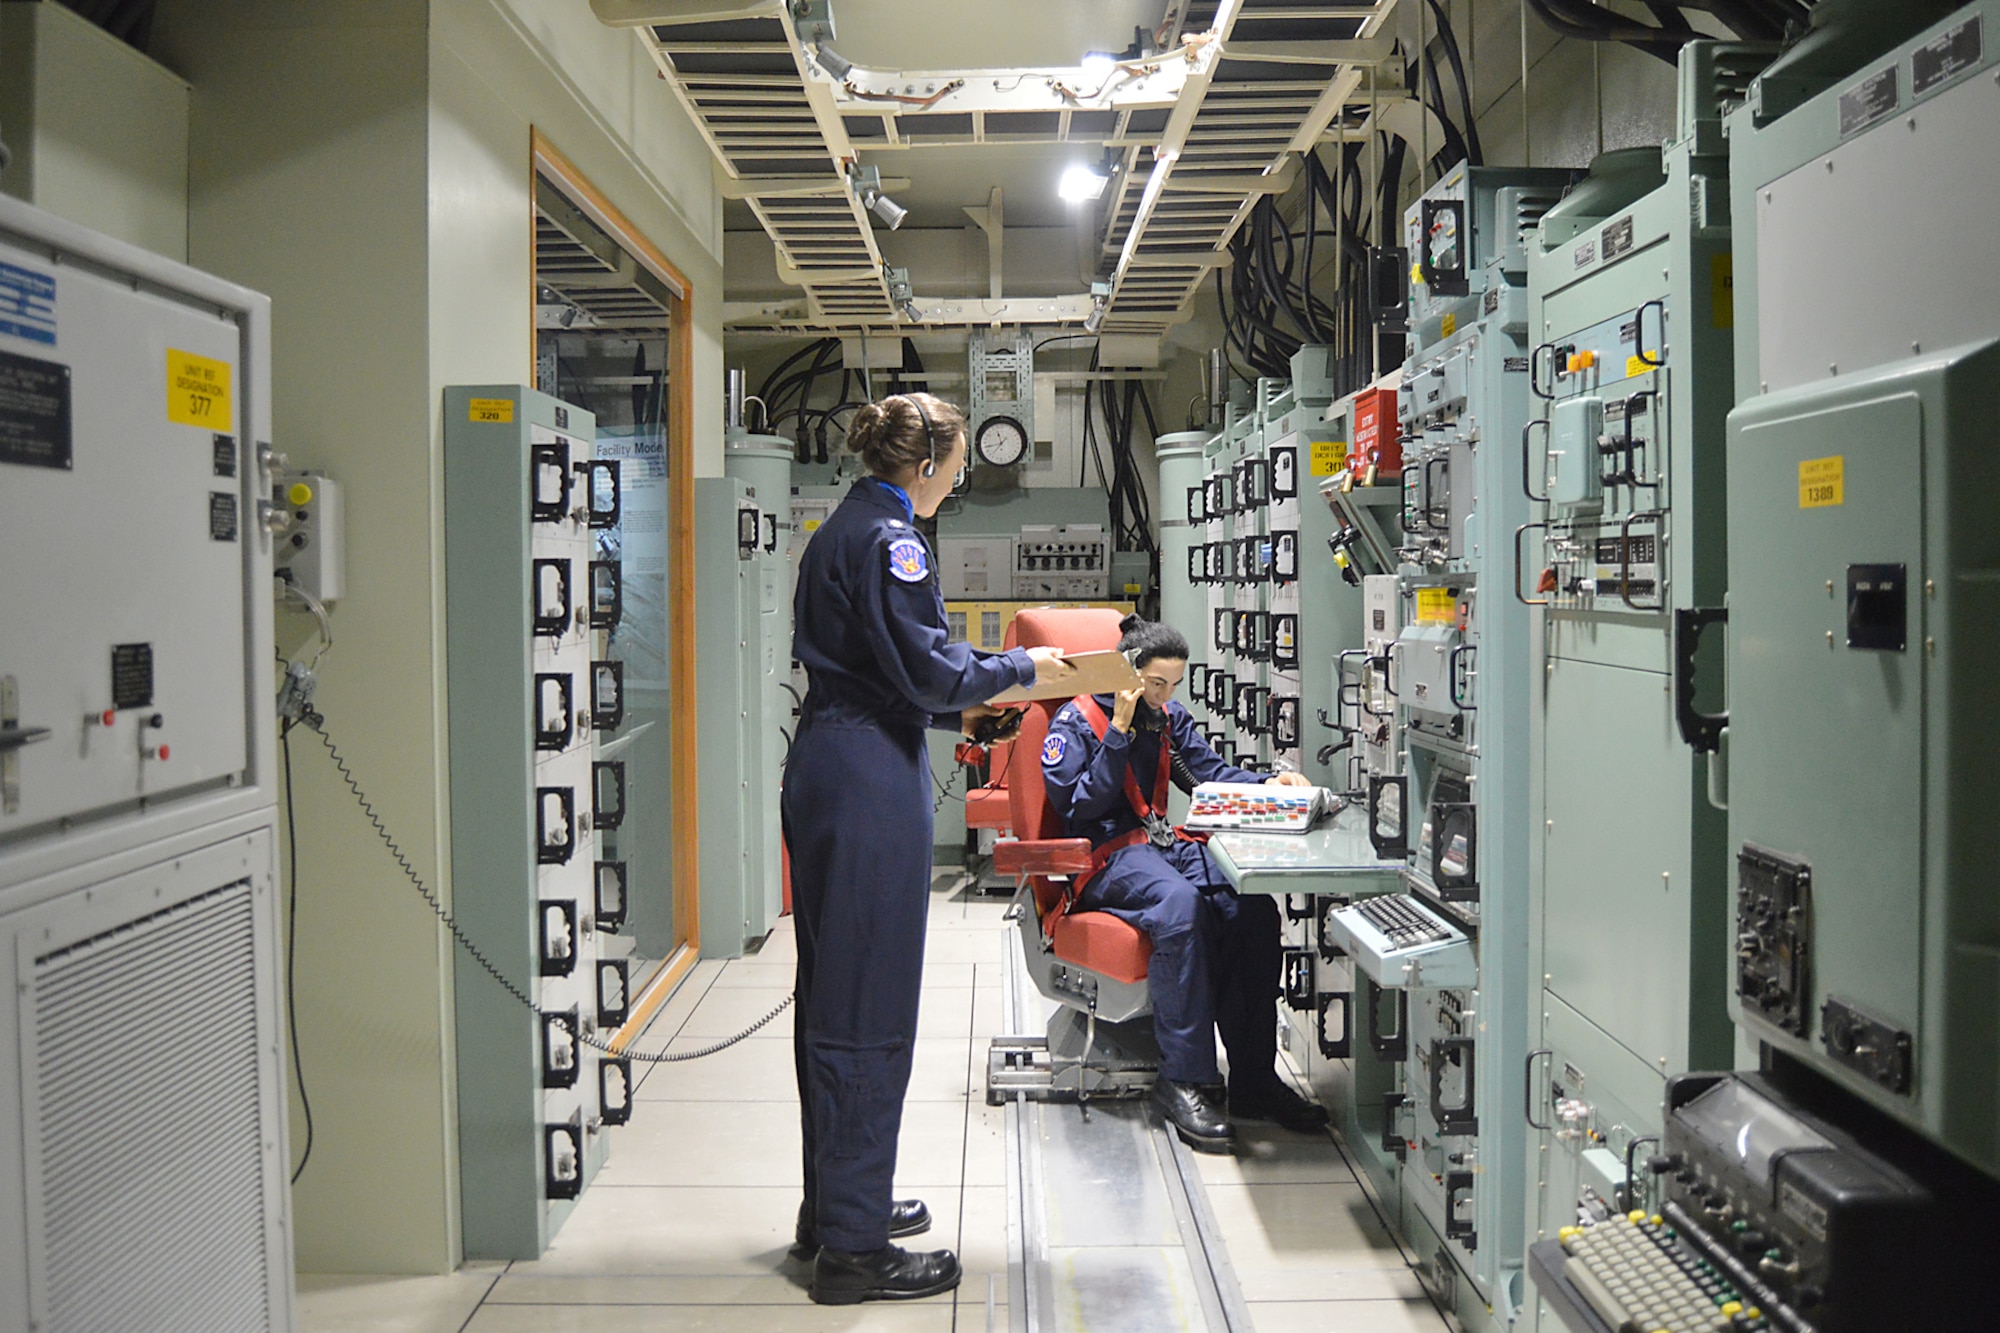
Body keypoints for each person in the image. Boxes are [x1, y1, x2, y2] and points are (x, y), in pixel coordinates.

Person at [784, 391, 1075, 1304]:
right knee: (866, 1005)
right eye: (956, 465)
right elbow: (929, 668)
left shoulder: (841, 527)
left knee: (830, 993)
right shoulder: (895, 540)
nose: (960, 479)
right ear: (927, 465)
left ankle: (834, 1206)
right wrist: (1026, 672)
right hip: (870, 767)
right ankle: (856, 1251)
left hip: (832, 758)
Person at [1040, 614, 1330, 1152]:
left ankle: (1254, 1080)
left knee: (1252, 909)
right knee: (1180, 907)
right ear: (1127, 675)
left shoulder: (1167, 718)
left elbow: (1209, 773)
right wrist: (1121, 732)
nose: (1165, 695)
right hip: (1105, 857)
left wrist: (1271, 784)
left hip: (1159, 846)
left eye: (1173, 685)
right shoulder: (1077, 723)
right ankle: (1186, 1079)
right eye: (1156, 684)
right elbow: (1077, 804)